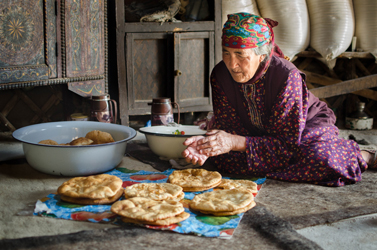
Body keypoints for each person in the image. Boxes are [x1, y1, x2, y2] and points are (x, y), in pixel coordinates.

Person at [182, 12, 377, 187]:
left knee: (320, 159)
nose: (232, 64)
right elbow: (230, 129)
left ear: (262, 55)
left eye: (240, 54)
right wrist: (209, 146)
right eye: (226, 52)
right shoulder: (220, 75)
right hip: (256, 135)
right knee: (225, 162)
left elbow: (286, 144)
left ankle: (363, 155)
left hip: (303, 128)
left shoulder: (286, 76)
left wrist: (233, 142)